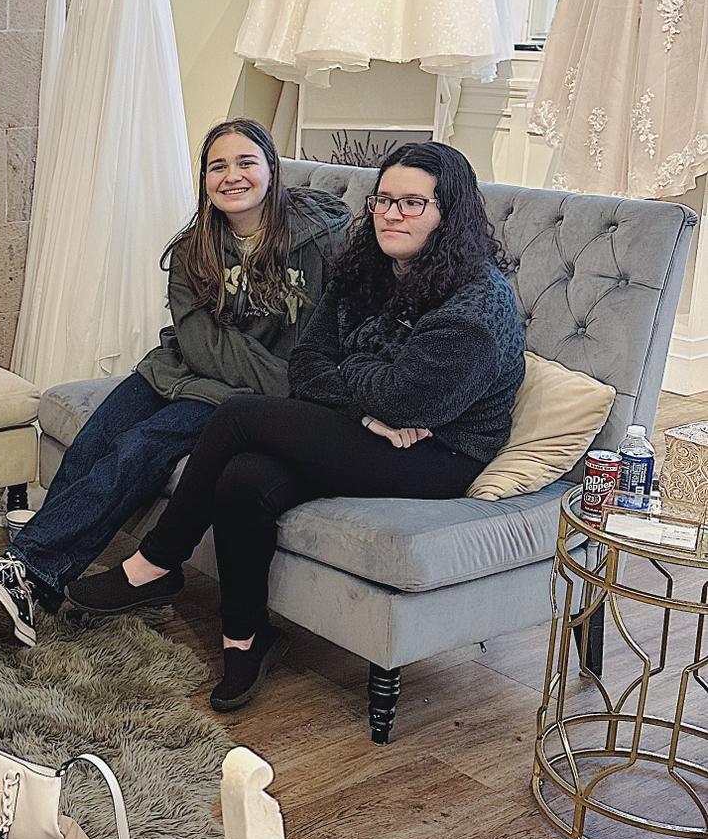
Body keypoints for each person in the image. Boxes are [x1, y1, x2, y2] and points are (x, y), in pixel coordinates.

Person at [69, 141, 525, 712]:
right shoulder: (367, 269)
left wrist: (361, 379)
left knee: (237, 416)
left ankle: (157, 561)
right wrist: (368, 406)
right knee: (244, 478)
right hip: (375, 430)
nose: (391, 214)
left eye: (412, 203)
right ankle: (245, 637)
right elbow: (307, 363)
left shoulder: (477, 304)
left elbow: (406, 401)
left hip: (440, 454)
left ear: (447, 213)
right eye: (384, 200)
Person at [0, 118, 348, 646]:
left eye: (246, 162)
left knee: (140, 447)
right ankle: (27, 578)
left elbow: (313, 348)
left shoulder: (321, 243)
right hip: (174, 369)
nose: (232, 176)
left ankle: (23, 574)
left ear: (272, 169)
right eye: (217, 167)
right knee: (93, 444)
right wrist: (258, 362)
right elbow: (198, 342)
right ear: (204, 180)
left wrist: (277, 378)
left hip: (237, 399)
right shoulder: (194, 249)